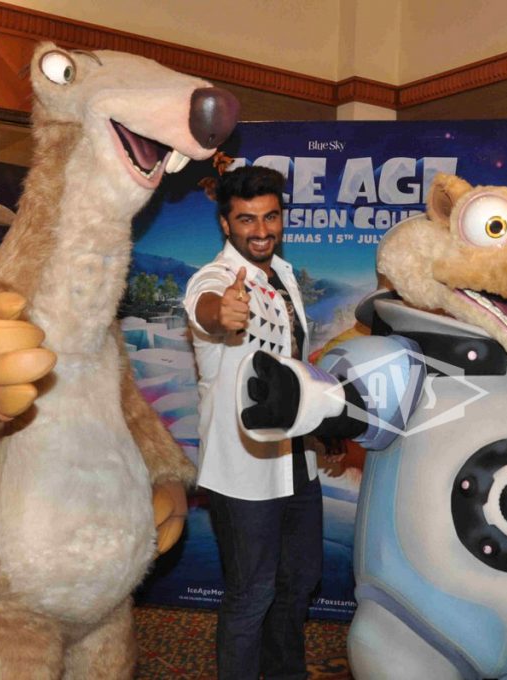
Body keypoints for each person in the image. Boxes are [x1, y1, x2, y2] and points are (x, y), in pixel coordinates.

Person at [183, 165, 322, 679]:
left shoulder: (283, 274)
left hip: (296, 459)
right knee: (252, 595)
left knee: (298, 584)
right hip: (244, 470)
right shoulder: (217, 278)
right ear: (226, 224)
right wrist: (222, 313)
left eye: (270, 217)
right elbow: (205, 307)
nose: (261, 231)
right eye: (246, 219)